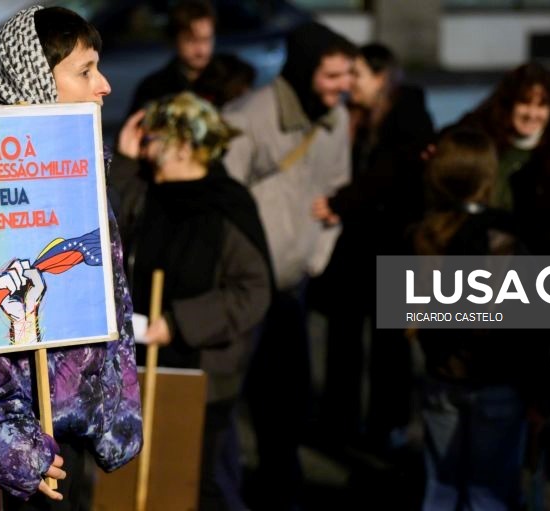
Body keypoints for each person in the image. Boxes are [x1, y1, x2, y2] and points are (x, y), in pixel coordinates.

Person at [0, 6, 142, 510]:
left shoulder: (83, 178)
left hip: (67, 442)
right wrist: (19, 455)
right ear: (35, 83)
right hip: (14, 467)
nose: (104, 86)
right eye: (85, 71)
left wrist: (112, 420)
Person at [113, 91, 272, 511]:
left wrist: (178, 323)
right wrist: (124, 160)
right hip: (136, 367)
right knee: (136, 486)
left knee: (196, 485)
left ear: (183, 145)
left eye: (153, 140)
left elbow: (252, 290)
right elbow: (107, 223)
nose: (146, 149)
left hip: (201, 375)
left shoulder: (227, 205)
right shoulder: (147, 190)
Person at [222, 20, 353, 510]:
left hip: (294, 285)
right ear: (303, 70)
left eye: (348, 74)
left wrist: (316, 257)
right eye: (333, 75)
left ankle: (282, 489)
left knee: (289, 399)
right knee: (232, 400)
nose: (344, 86)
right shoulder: (249, 117)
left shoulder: (336, 119)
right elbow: (223, 201)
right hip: (247, 289)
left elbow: (336, 190)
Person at [410, 127, 550, 511]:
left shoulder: (422, 235)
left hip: (442, 377)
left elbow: (410, 315)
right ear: (490, 179)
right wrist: (543, 390)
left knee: (440, 490)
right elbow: (536, 328)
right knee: (488, 495)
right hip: (499, 383)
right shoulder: (507, 240)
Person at [310, 42, 435, 451]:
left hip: (394, 244)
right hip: (353, 245)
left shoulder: (409, 111)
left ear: (381, 78)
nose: (349, 83)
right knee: (344, 337)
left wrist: (339, 202)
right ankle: (340, 421)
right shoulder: (348, 116)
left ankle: (388, 424)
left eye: (357, 74)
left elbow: (389, 171)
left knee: (390, 343)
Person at [453, 61, 550, 256]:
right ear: (509, 103)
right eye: (524, 103)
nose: (532, 114)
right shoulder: (480, 135)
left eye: (542, 105)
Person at [126, 0, 216, 115]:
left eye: (206, 39)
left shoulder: (230, 82)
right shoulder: (153, 89)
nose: (201, 50)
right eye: (191, 41)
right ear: (174, 41)